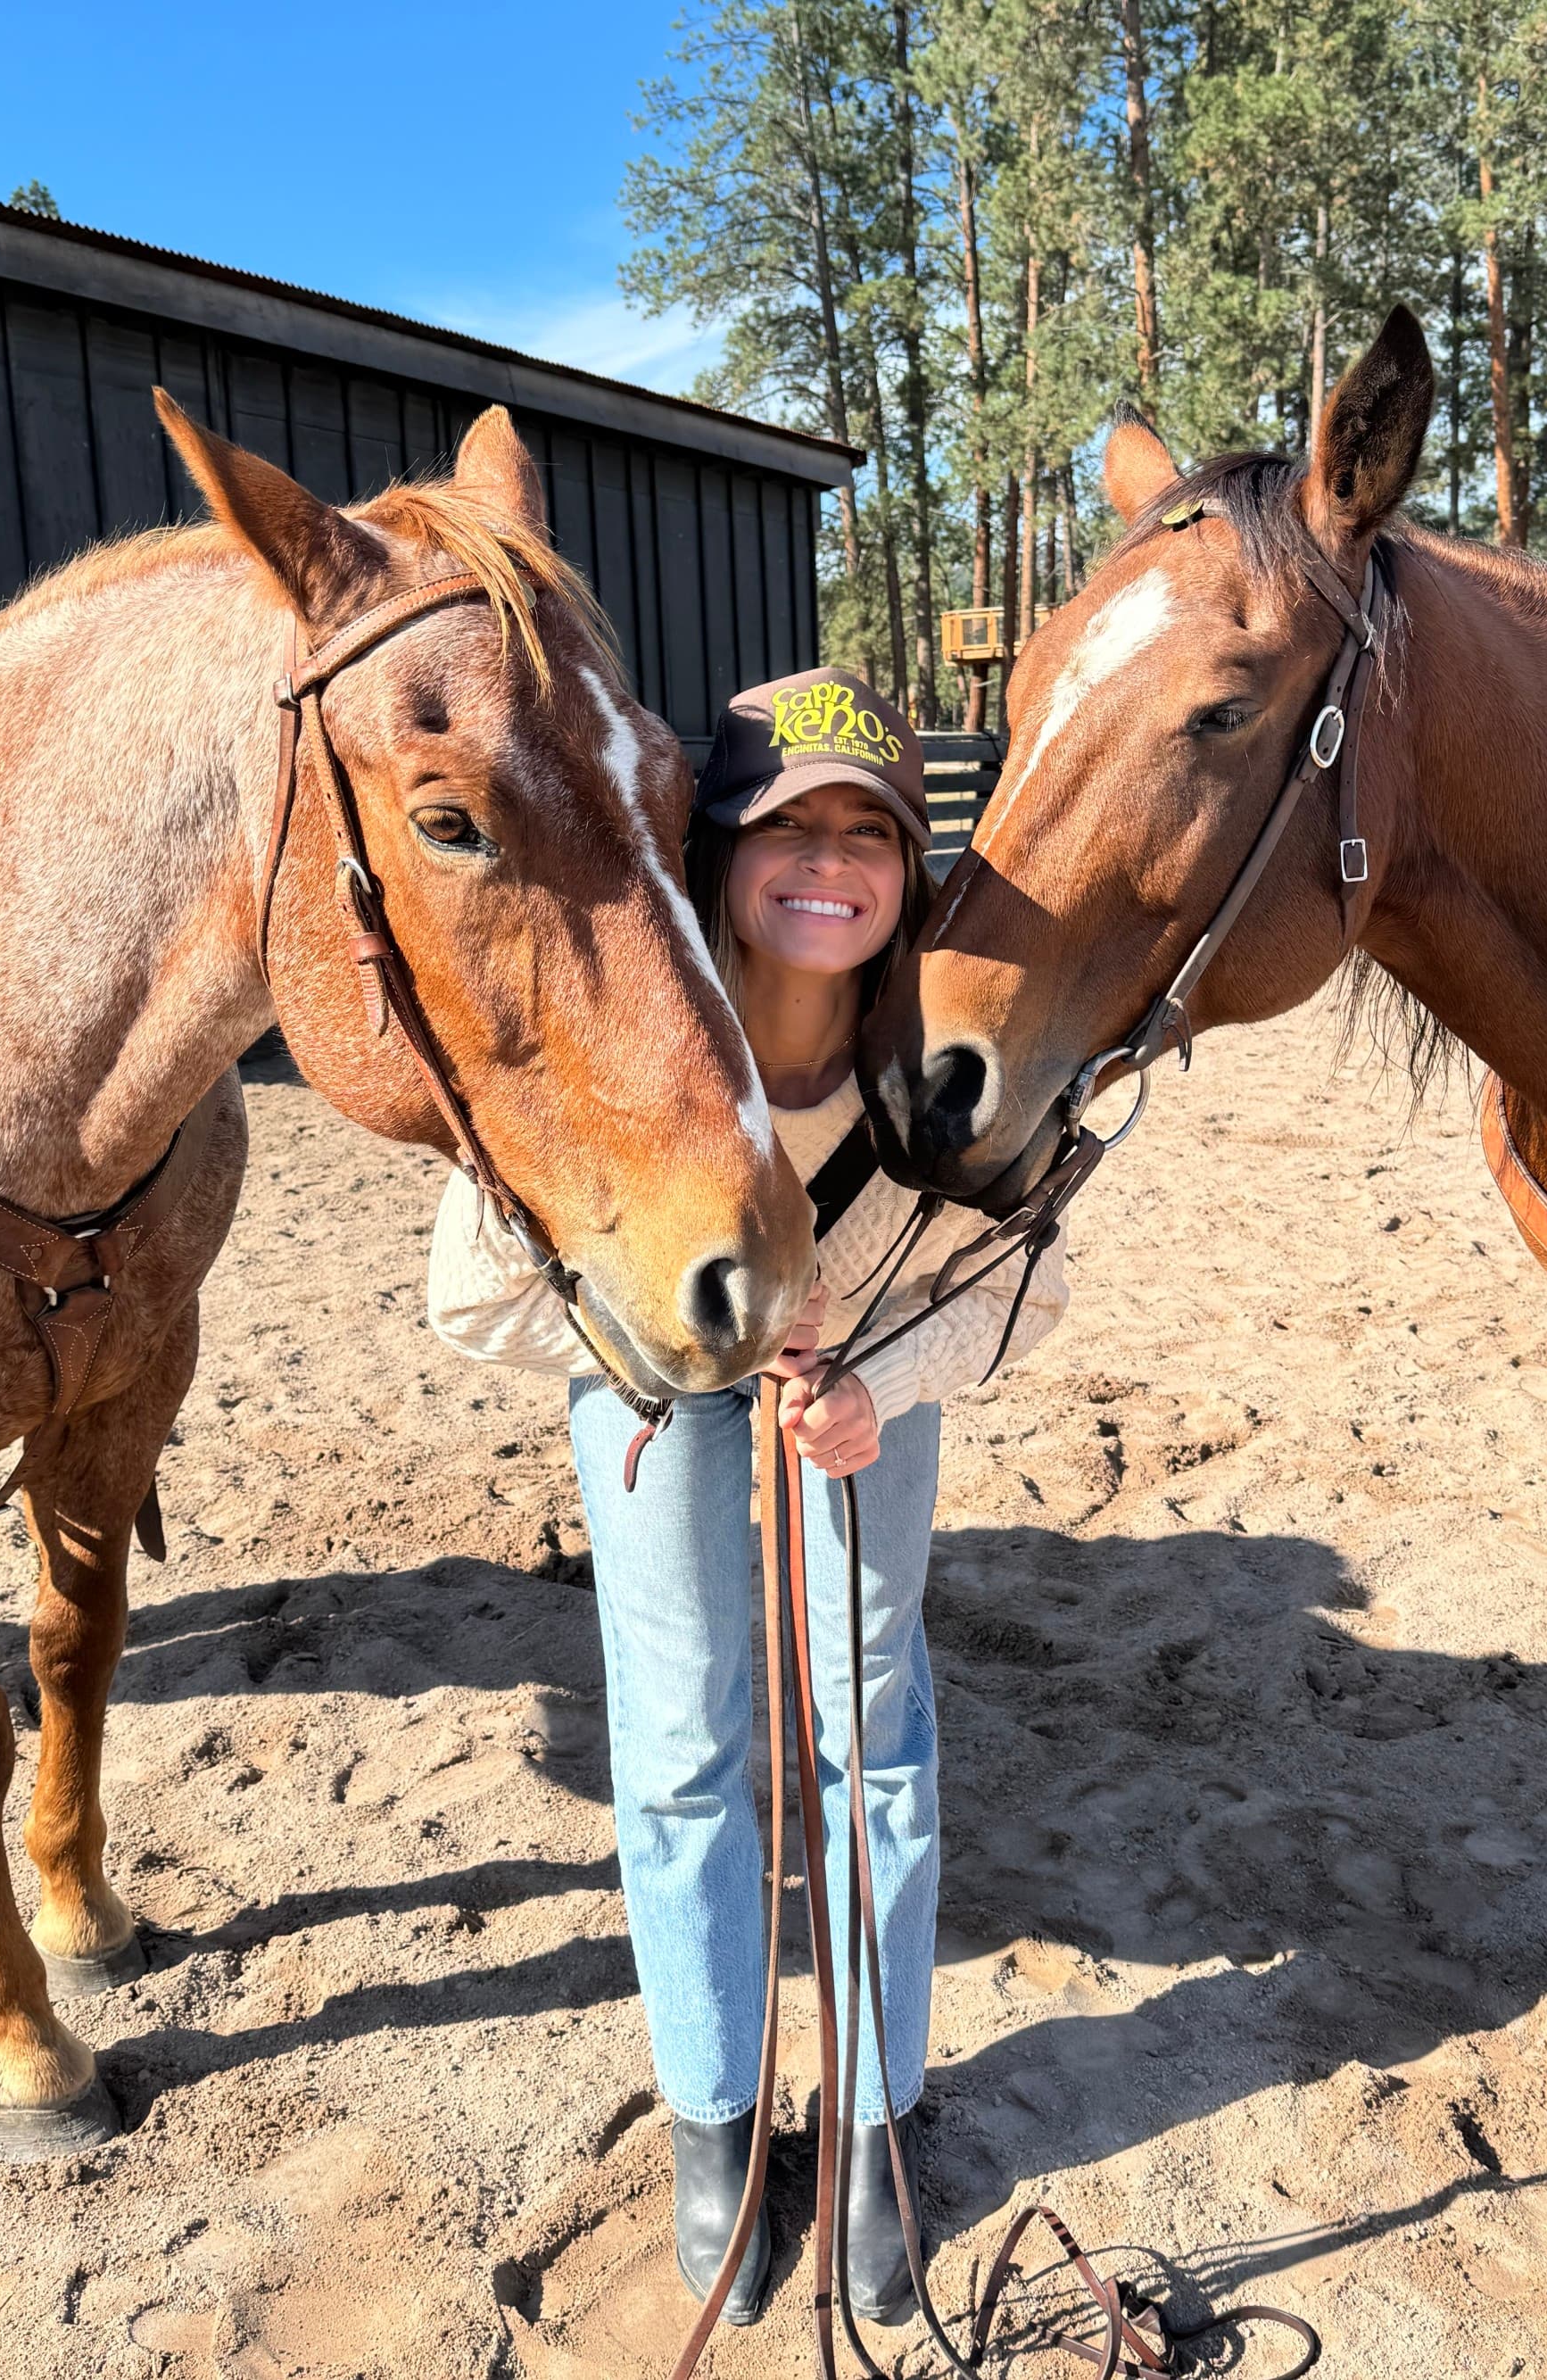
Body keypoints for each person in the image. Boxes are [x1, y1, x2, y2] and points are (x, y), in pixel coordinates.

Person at [427, 666, 1069, 2327]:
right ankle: (715, 2114)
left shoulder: (947, 1059)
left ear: (905, 871)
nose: (828, 863)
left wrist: (885, 1381)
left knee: (877, 1728)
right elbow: (473, 1294)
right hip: (657, 1410)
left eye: (868, 830)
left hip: (863, 1421)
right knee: (687, 1745)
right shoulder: (621, 1039)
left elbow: (1028, 1289)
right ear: (715, 853)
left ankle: (871, 2114)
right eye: (786, 827)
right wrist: (675, 1350)